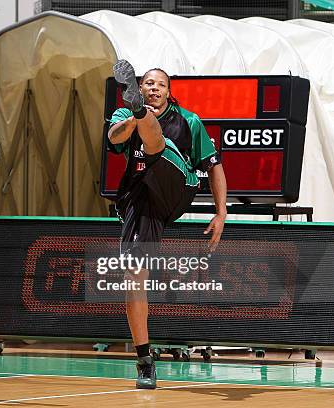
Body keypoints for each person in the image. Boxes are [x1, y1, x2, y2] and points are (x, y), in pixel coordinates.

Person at [107, 60, 227, 389]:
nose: (154, 88)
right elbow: (113, 137)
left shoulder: (189, 121)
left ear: (169, 93)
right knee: (133, 276)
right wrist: (135, 114)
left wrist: (221, 213)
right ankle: (145, 360)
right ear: (139, 90)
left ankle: (151, 133)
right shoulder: (122, 116)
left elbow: (214, 166)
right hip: (141, 198)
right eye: (147, 84)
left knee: (159, 149)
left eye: (160, 84)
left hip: (178, 184)